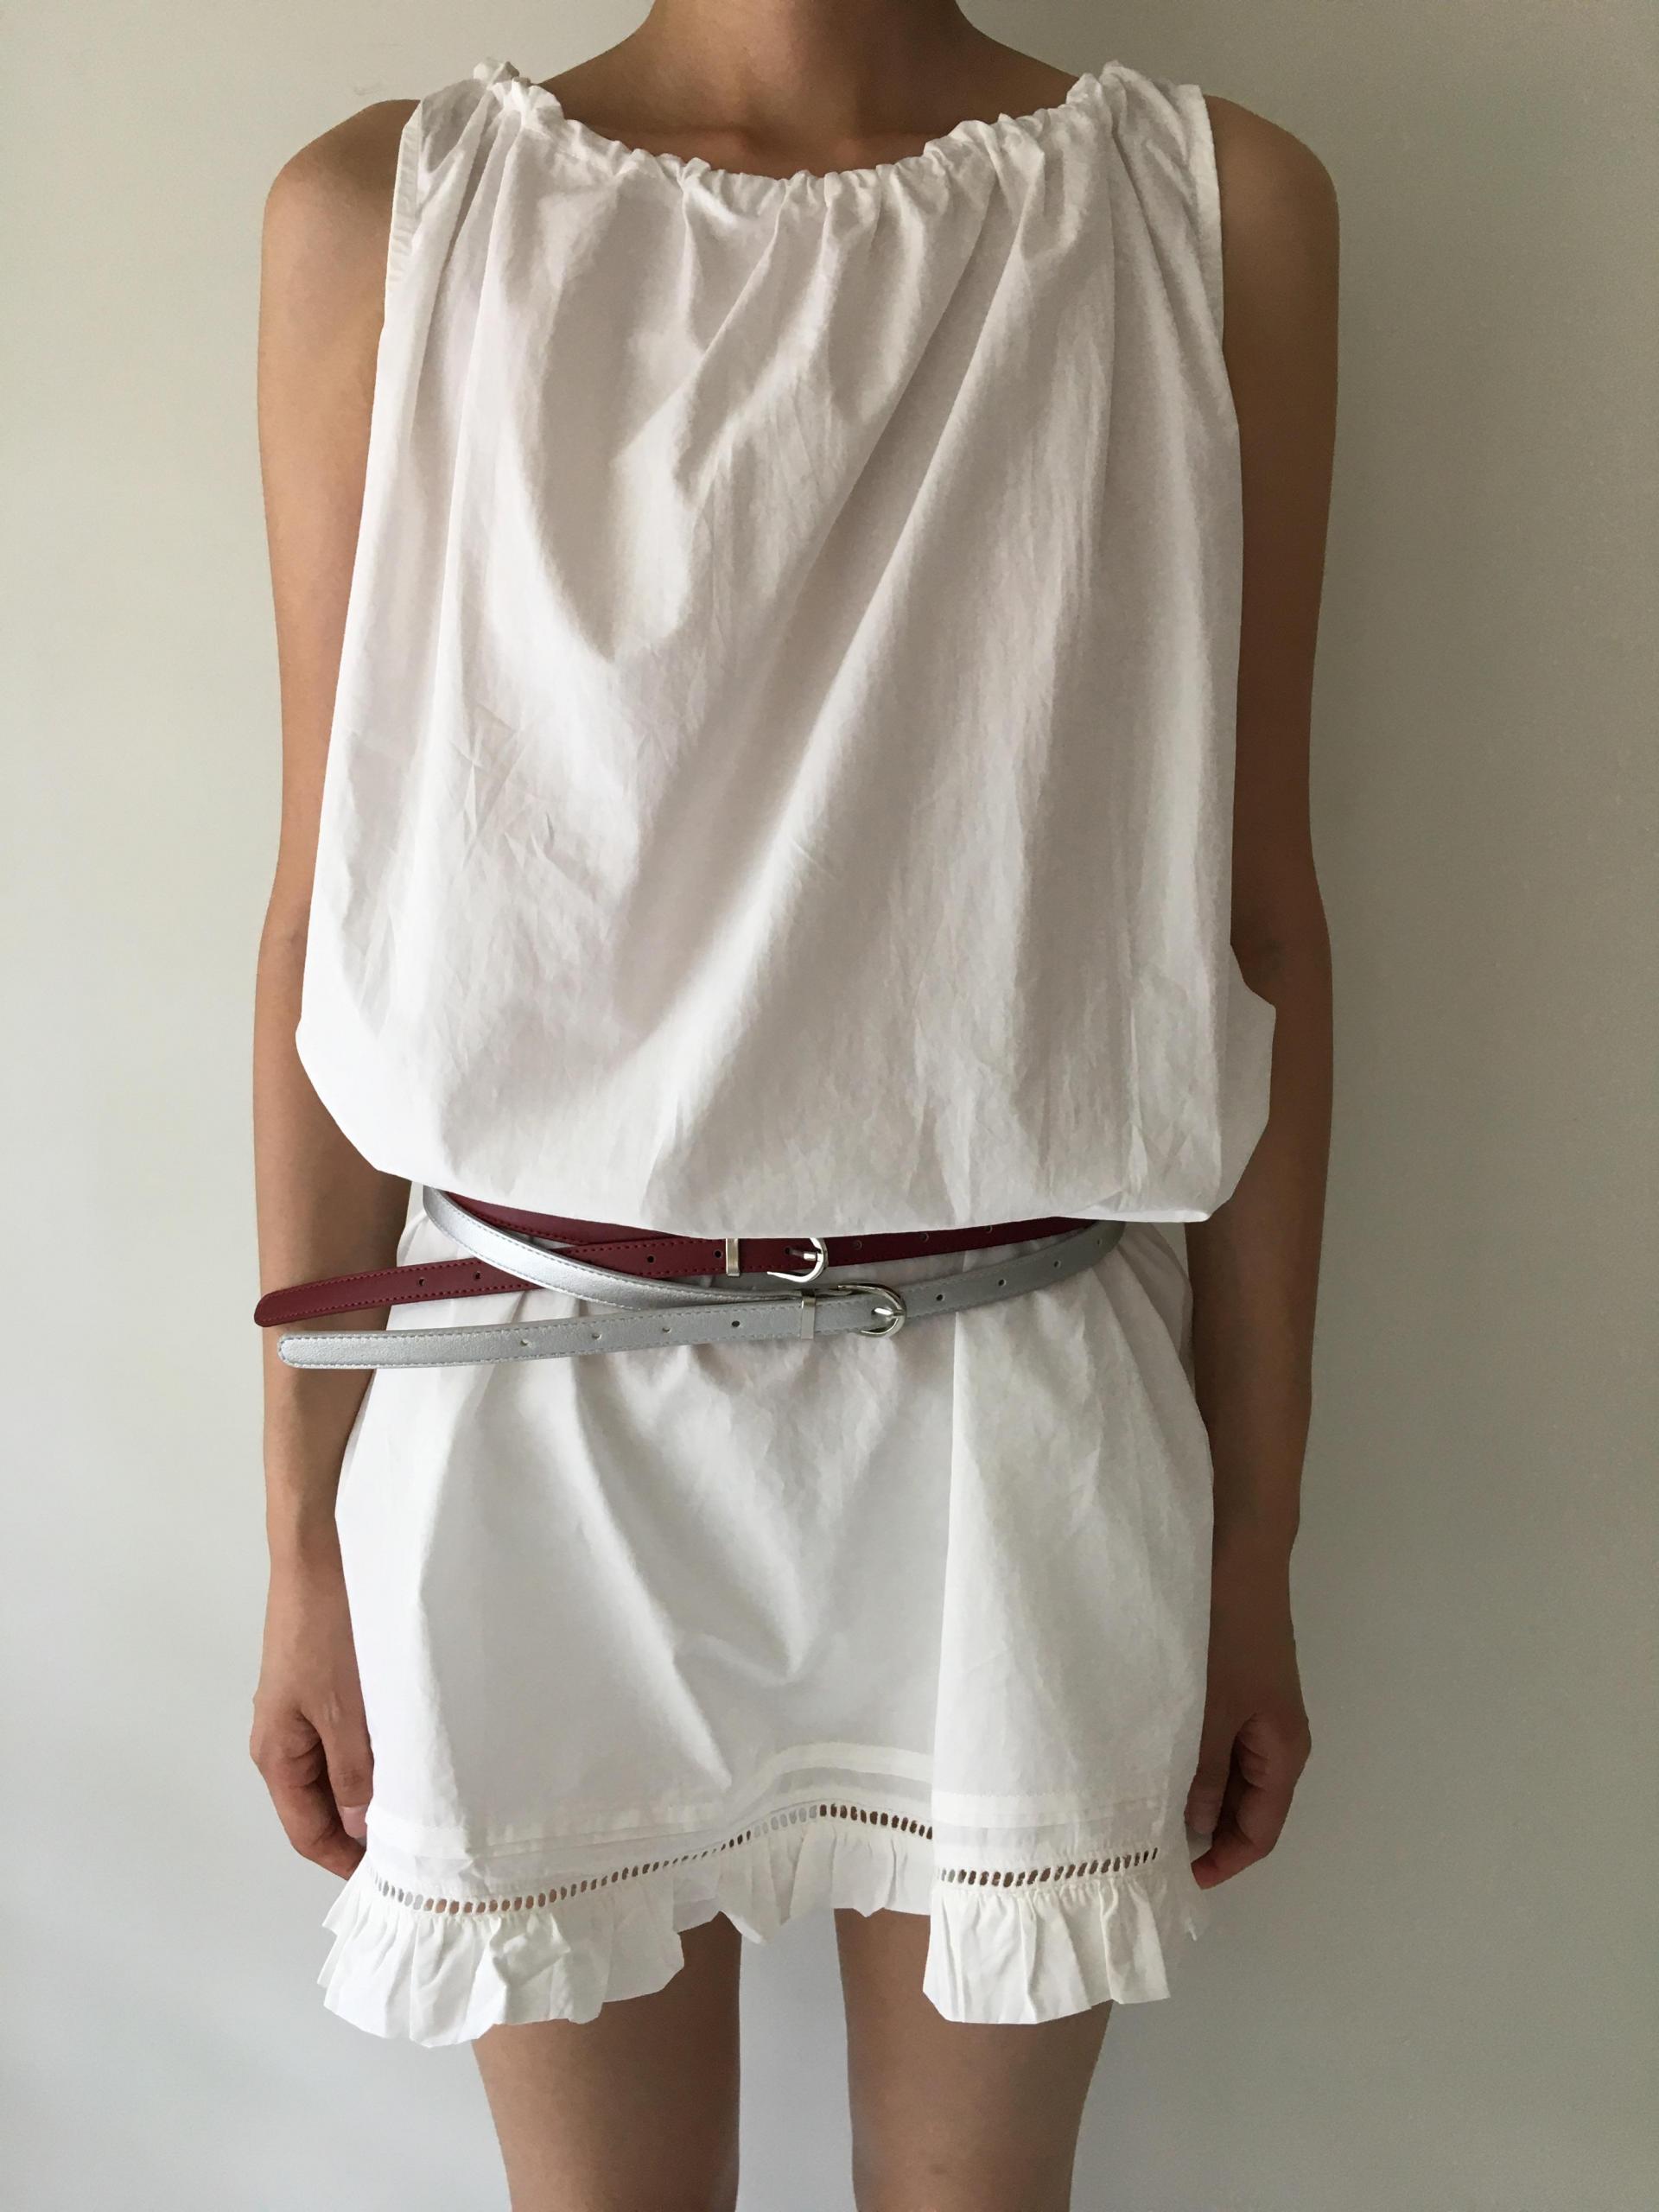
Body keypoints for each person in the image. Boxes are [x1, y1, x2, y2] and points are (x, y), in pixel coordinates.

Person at [251, 4, 1337, 2205]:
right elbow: (325, 910)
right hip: (525, 1399)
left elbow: (1256, 914)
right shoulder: (390, 210)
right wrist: (295, 1538)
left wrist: (1256, 1536)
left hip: (1012, 1412)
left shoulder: (1212, 208)